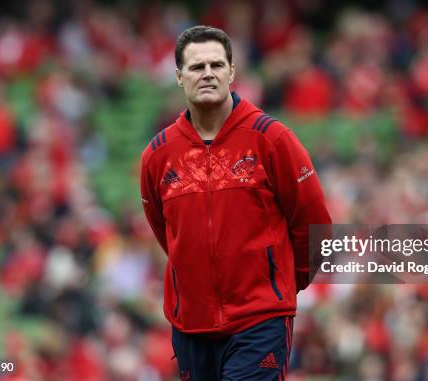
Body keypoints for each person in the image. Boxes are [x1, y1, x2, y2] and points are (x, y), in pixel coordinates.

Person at [140, 25, 331, 380]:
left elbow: (314, 223)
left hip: (260, 322)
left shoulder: (272, 139)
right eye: (197, 67)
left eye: (216, 64)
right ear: (180, 77)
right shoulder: (157, 155)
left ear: (232, 72)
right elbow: (166, 232)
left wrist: (281, 285)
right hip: (191, 327)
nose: (208, 73)